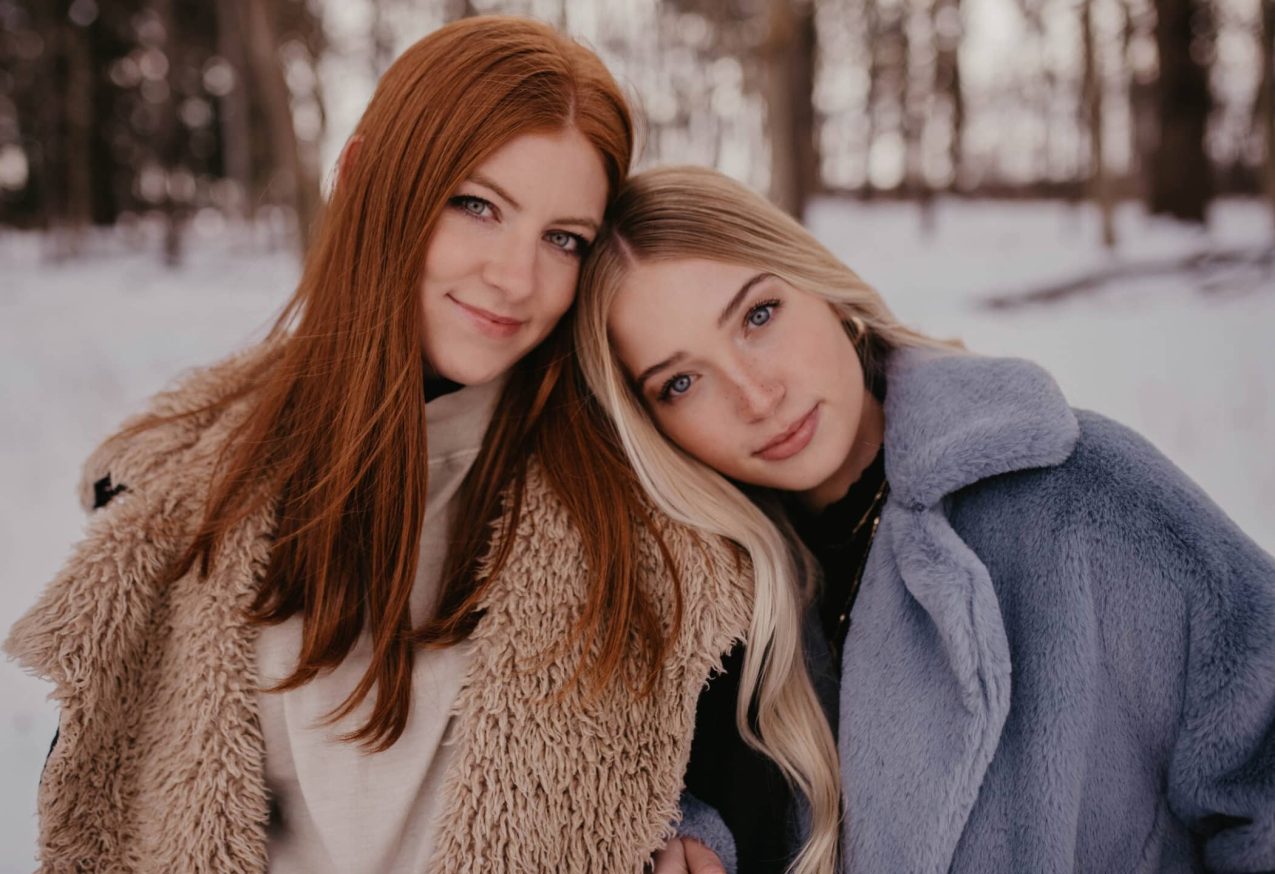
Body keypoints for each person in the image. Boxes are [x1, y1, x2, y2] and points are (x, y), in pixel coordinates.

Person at [4, 23, 837, 873]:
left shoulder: (649, 504)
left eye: (564, 239)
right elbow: (101, 809)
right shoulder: (177, 492)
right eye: (477, 205)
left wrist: (705, 827)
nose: (515, 279)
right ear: (362, 175)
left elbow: (756, 766)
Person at [576, 165, 1275, 873]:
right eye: (682, 382)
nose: (756, 397)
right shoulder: (700, 612)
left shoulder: (1079, 493)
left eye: (758, 315)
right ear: (650, 425)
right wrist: (688, 833)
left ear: (820, 288)